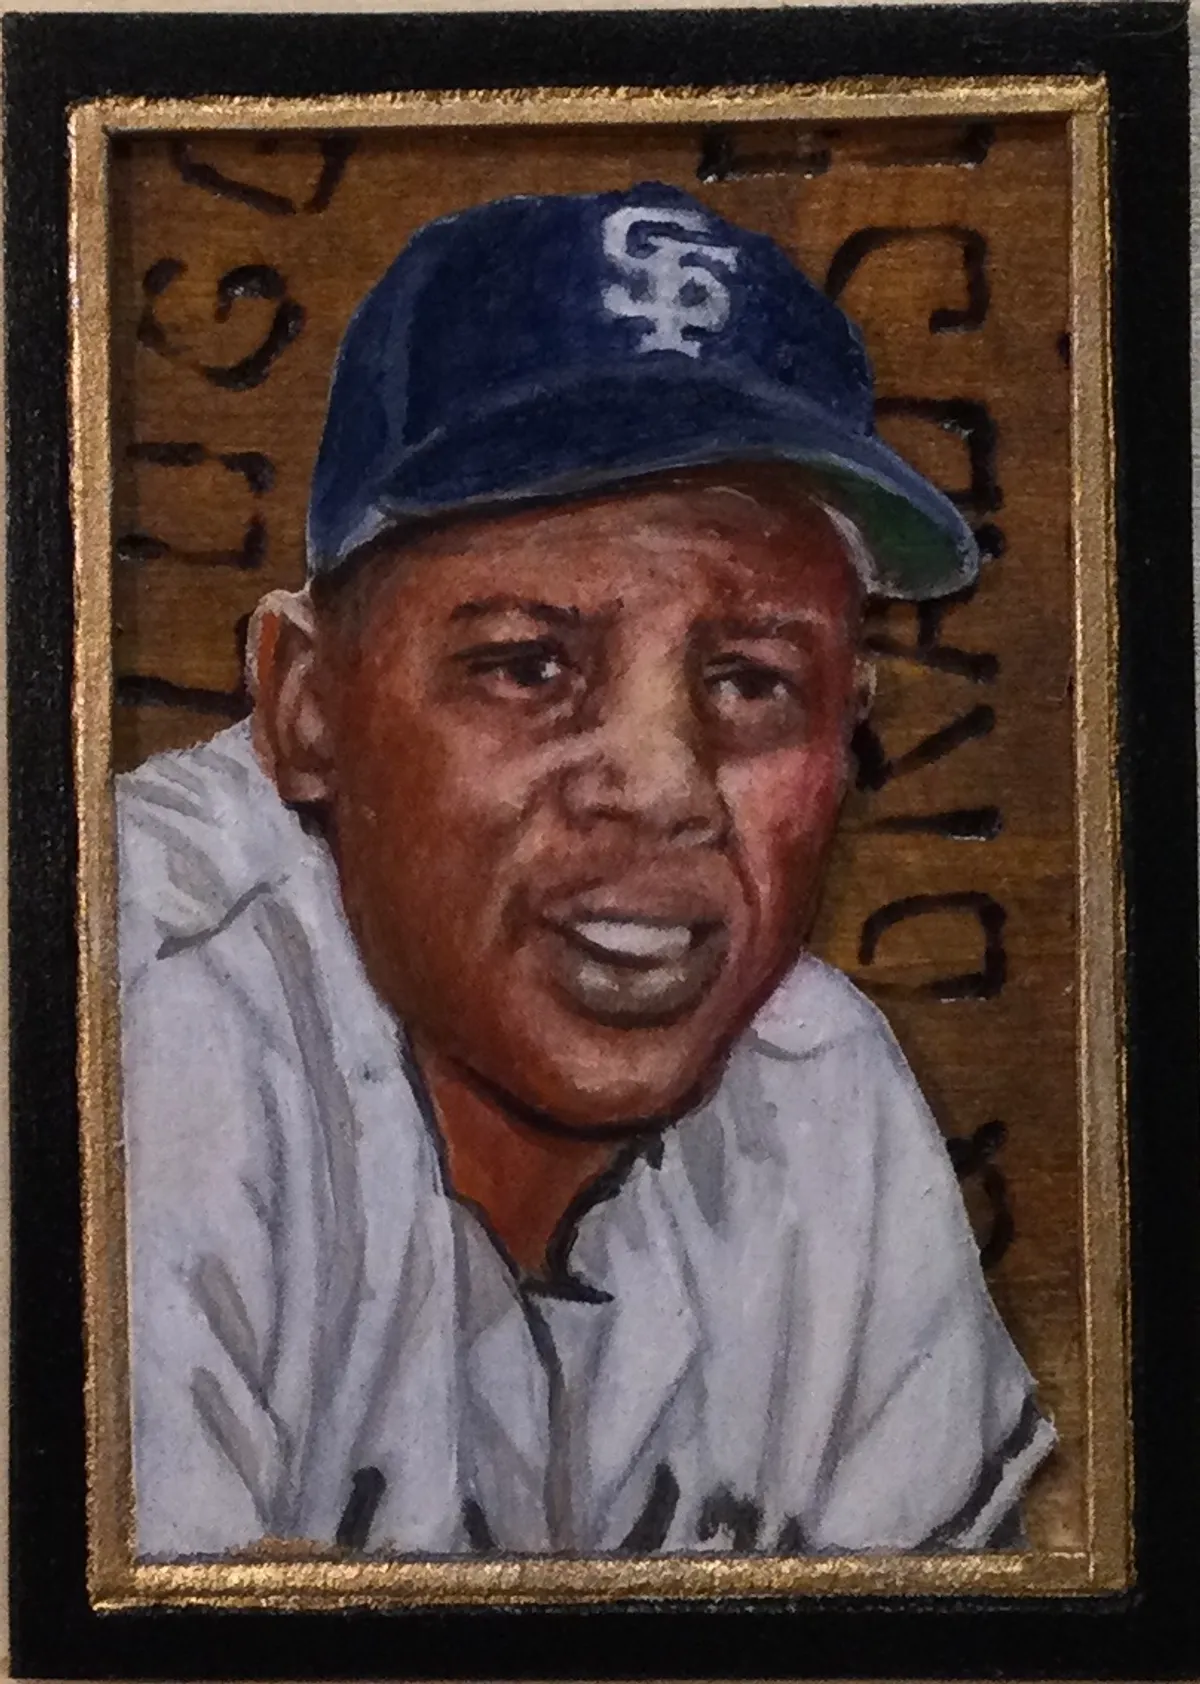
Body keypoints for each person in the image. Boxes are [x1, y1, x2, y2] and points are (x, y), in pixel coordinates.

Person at [119, 183, 1054, 1562]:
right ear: (305, 705)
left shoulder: (823, 1094)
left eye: (753, 680)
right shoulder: (129, 1014)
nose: (664, 787)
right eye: (528, 665)